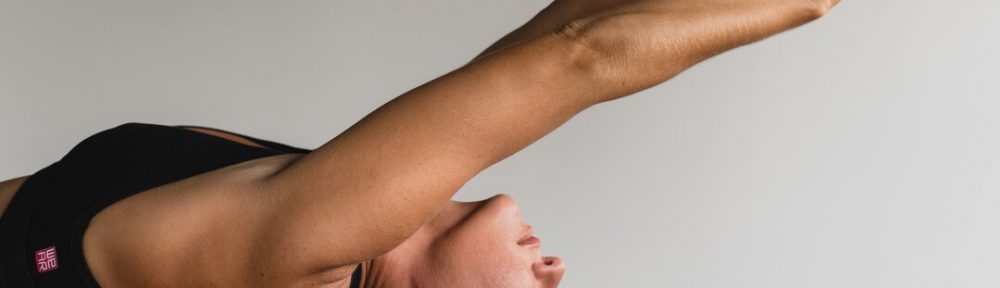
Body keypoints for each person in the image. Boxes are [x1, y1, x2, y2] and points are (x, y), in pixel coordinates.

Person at [0, 0, 840, 287]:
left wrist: (803, 5)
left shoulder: (305, 253)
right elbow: (559, 31)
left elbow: (584, 56)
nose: (557, 271)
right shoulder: (343, 195)